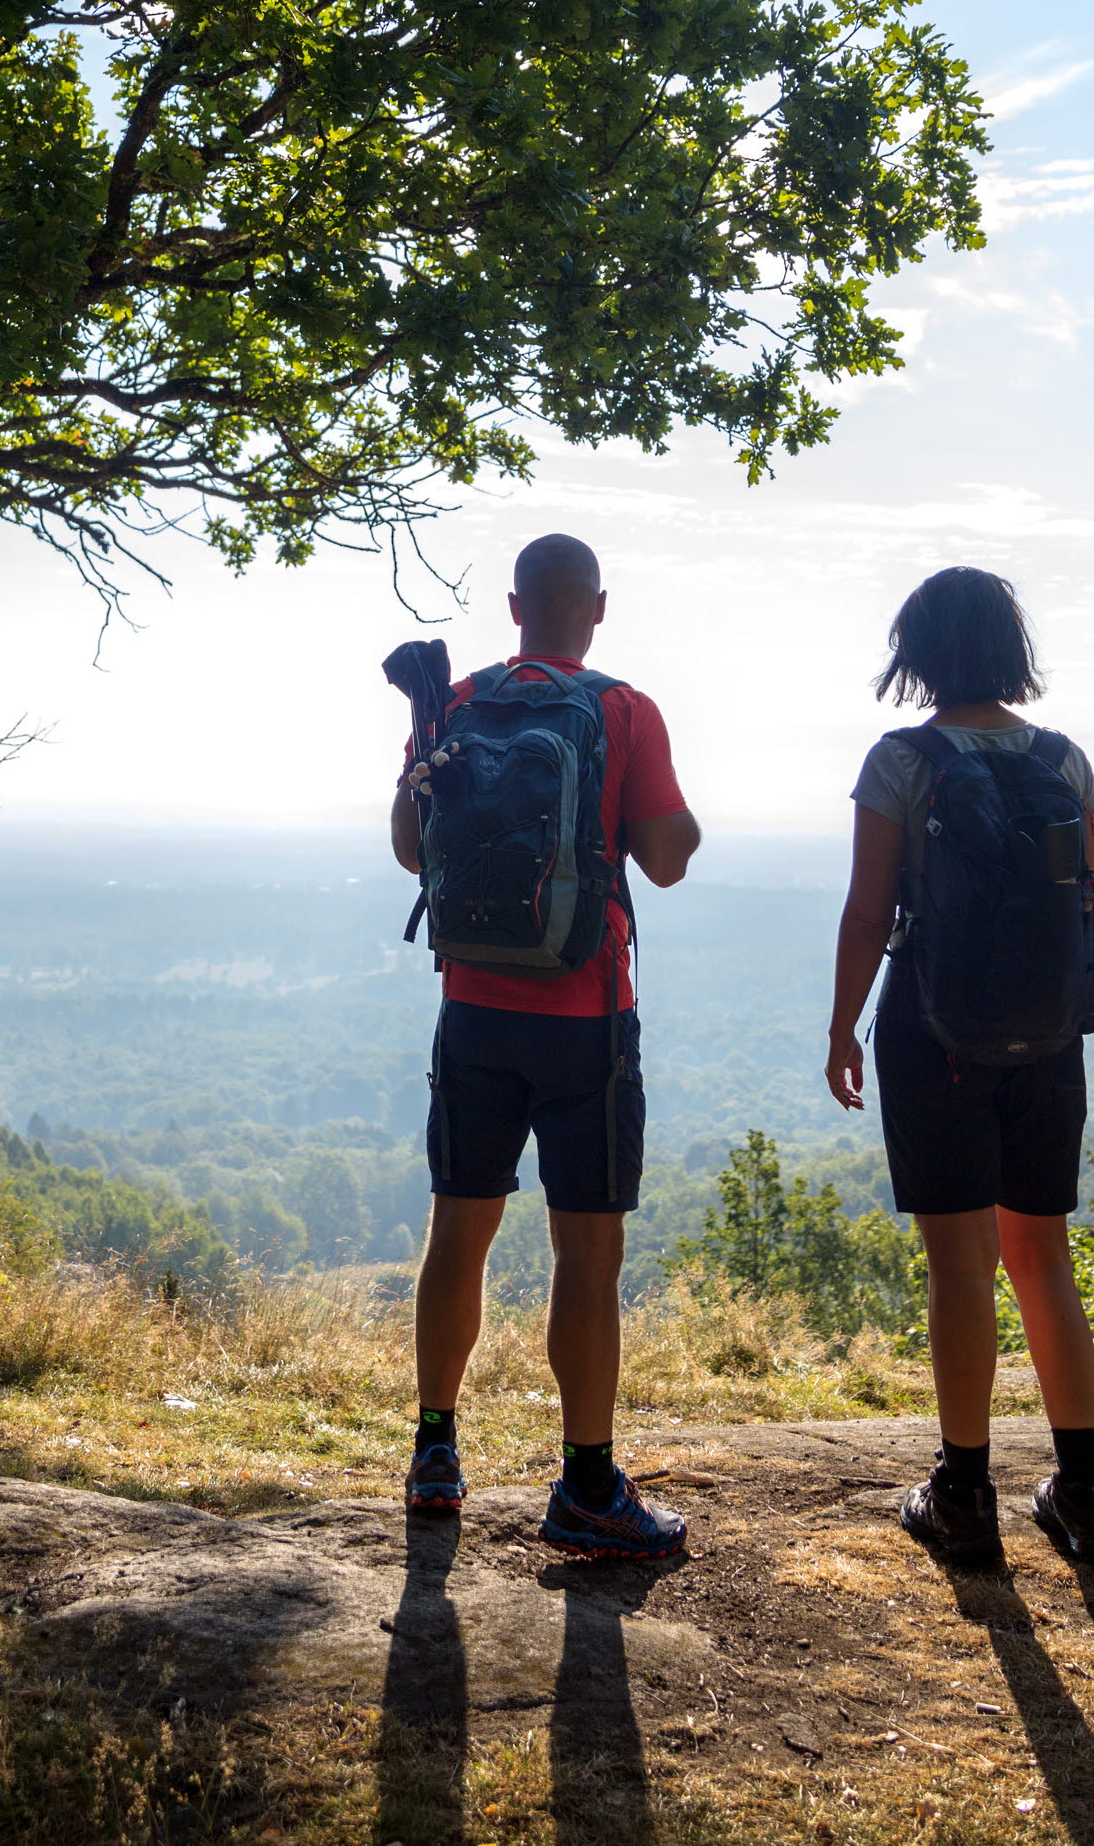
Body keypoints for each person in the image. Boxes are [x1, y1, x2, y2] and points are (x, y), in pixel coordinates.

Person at [389, 532, 702, 1555]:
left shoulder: (459, 700)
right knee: (587, 1250)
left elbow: (407, 845)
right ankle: (585, 1483)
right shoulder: (620, 708)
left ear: (514, 601)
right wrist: (678, 825)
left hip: (474, 1004)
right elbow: (664, 860)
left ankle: (435, 1449)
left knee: (458, 1230)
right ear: (596, 607)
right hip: (586, 1020)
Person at [823, 566, 1094, 1566]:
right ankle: (1083, 1490)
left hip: (932, 1032)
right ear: (1010, 648)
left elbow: (870, 909)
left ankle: (962, 1491)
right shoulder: (1063, 757)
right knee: (1043, 1258)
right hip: (1047, 1034)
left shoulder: (901, 760)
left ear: (918, 651)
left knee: (960, 1265)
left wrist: (842, 1026)